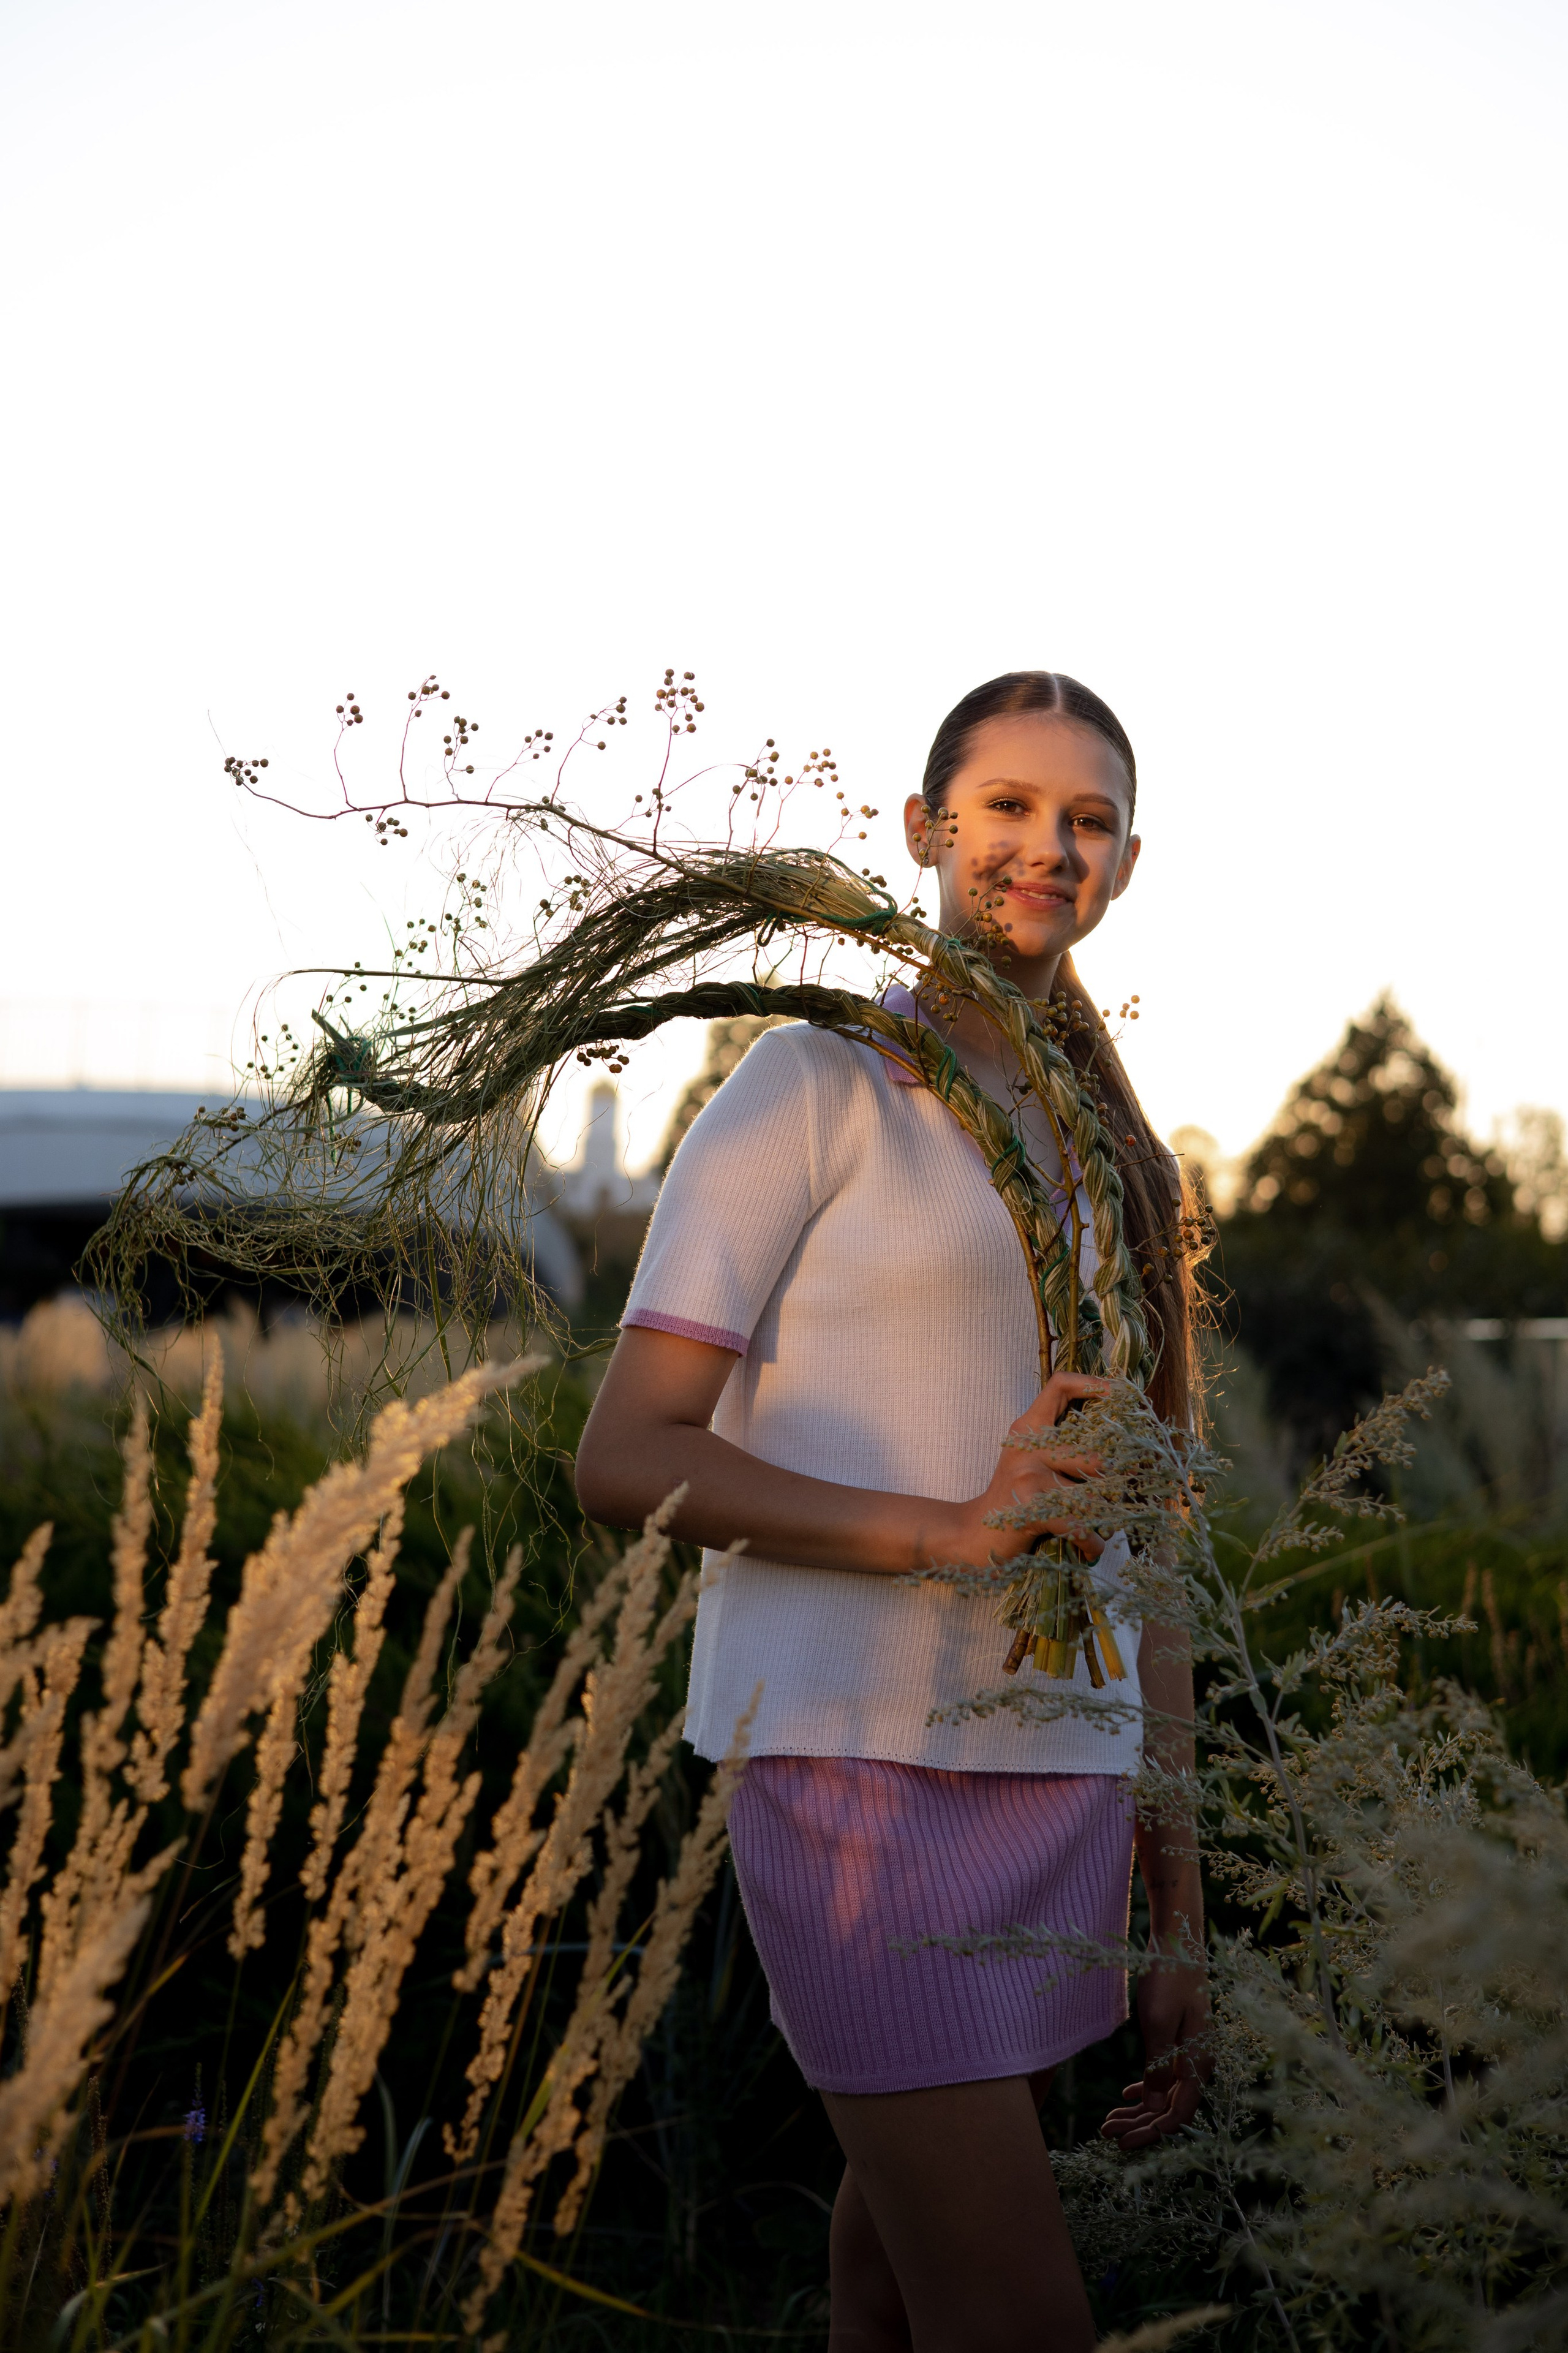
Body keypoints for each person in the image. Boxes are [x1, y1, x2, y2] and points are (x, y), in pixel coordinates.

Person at [575, 671, 1210, 2353]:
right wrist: (952, 1525)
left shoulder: (1115, 1155)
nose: (1046, 848)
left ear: (1127, 865)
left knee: (888, 2284)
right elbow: (626, 1454)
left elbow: (1147, 1549)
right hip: (859, 1776)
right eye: (1006, 808)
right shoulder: (812, 1087)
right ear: (926, 830)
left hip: (1060, 1780)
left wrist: (1180, 1900)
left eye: (1086, 821)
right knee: (1018, 2319)